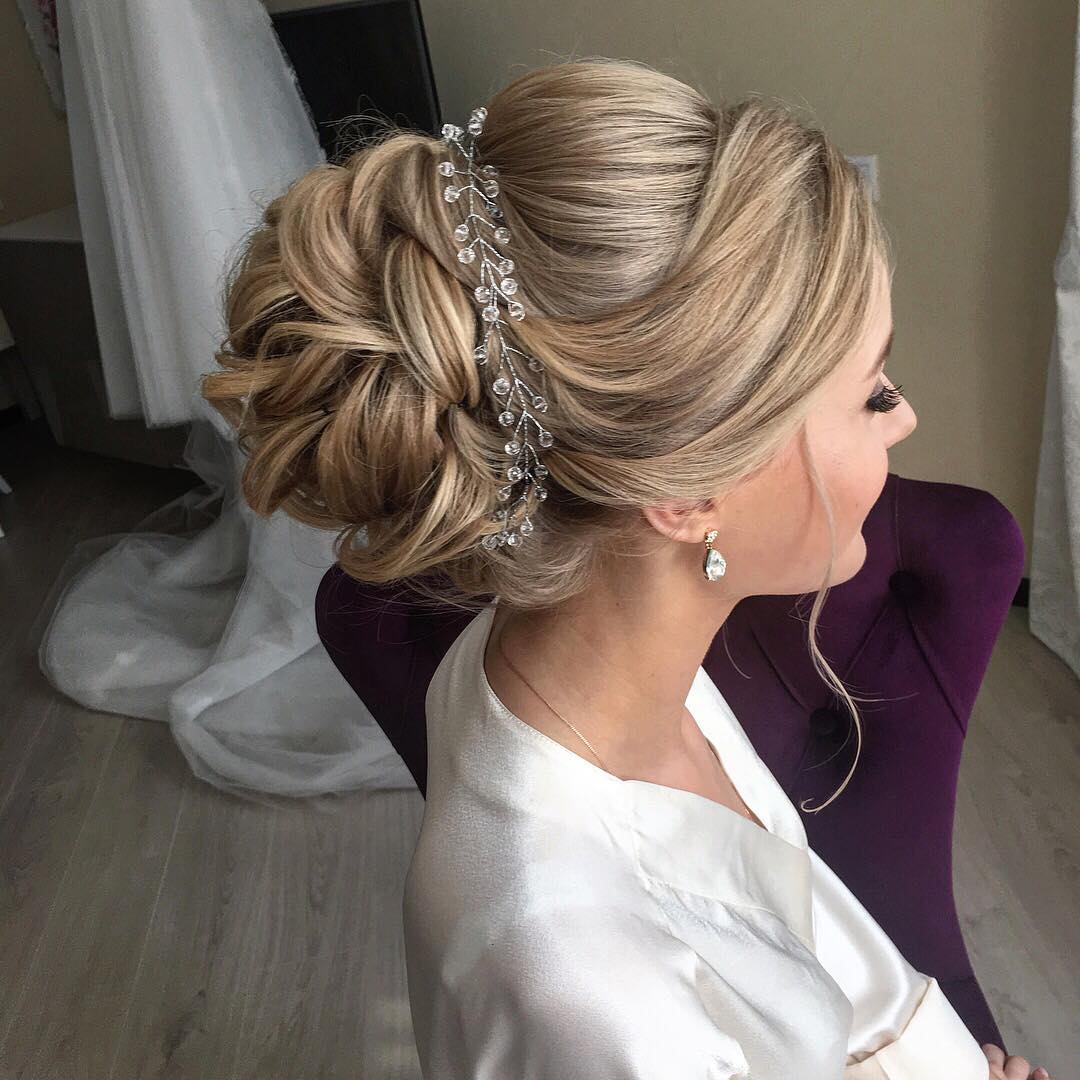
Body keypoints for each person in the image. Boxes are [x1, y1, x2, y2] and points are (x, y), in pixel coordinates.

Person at [200, 56, 1056, 1080]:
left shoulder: (587, 665)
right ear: (690, 495)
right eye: (872, 393)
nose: (904, 418)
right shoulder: (589, 996)